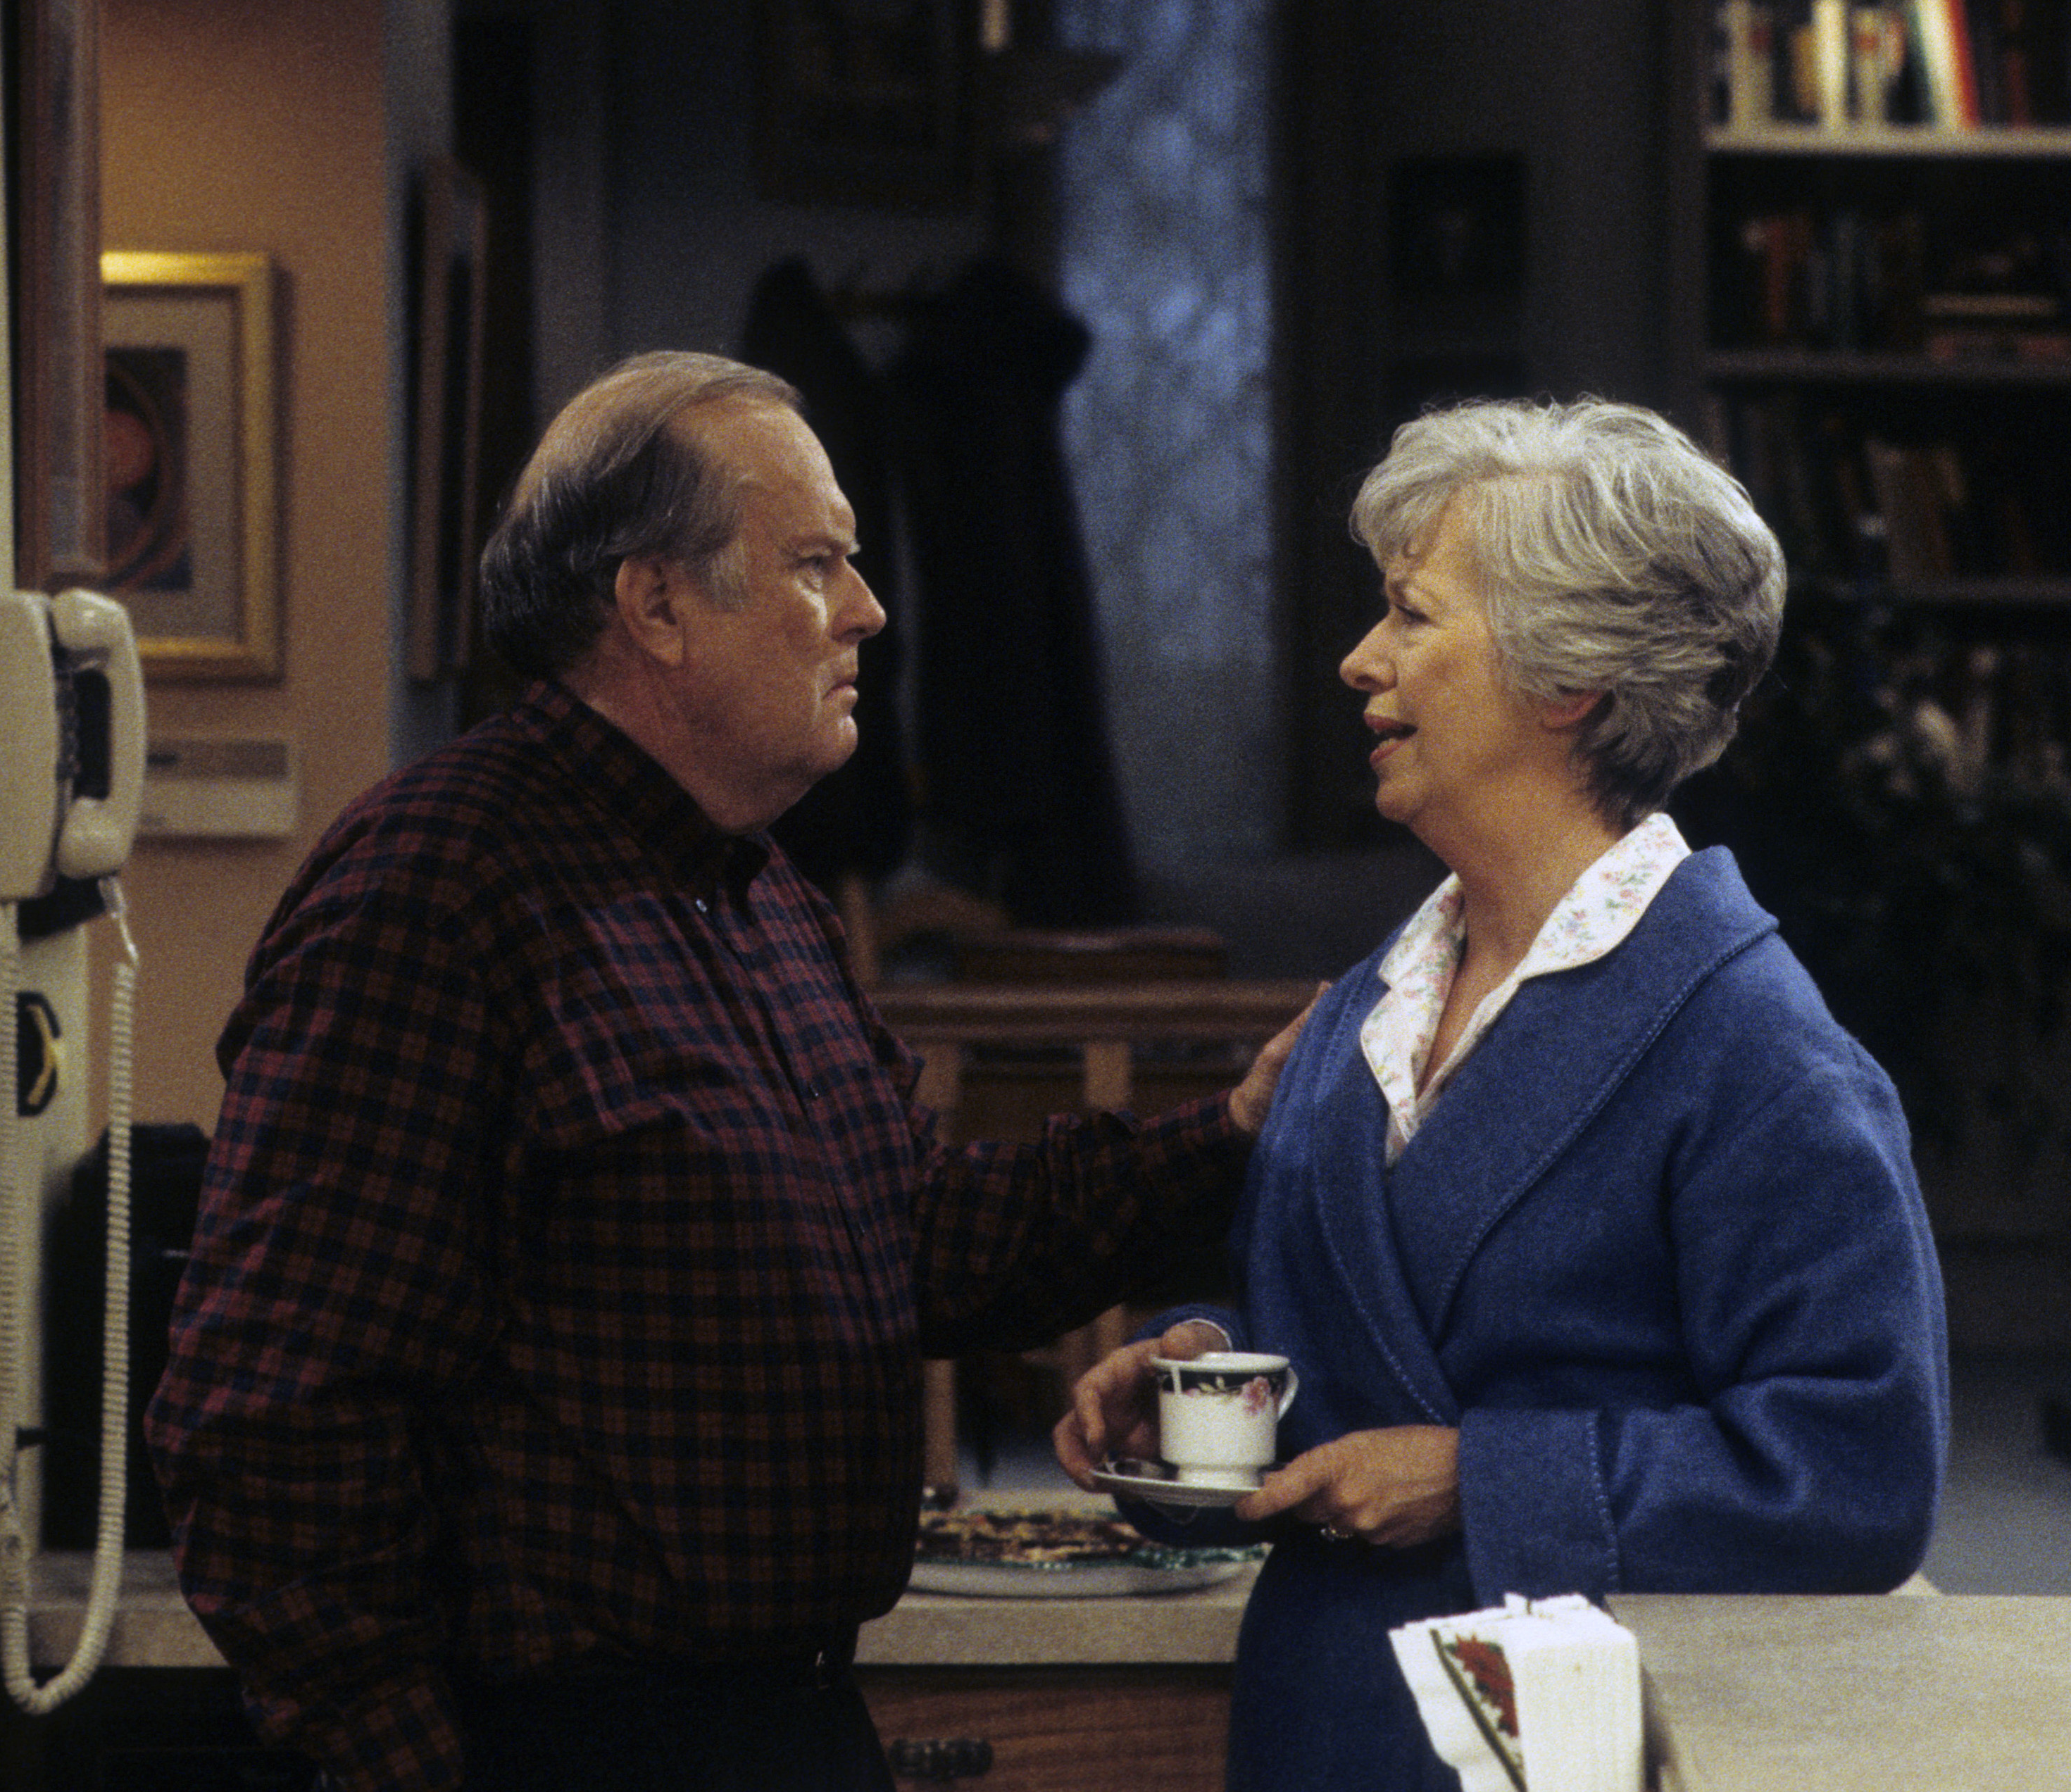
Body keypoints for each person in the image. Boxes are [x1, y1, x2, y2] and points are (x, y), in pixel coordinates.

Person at [147, 351, 1305, 1792]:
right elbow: (268, 1419)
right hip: (566, 1742)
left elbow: (921, 1236)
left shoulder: (754, 891)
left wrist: (1236, 1126)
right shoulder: (437, 888)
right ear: (655, 606)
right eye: (818, 563)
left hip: (788, 1717)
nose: (869, 612)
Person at [1054, 396, 1950, 1792]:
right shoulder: (1365, 1005)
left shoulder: (1758, 1050)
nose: (1359, 660)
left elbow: (1854, 1472)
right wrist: (1215, 1370)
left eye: (1411, 616)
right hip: (1317, 1717)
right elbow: (1378, 1339)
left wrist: (1481, 1479)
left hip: (1560, 1746)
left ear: (1565, 680)